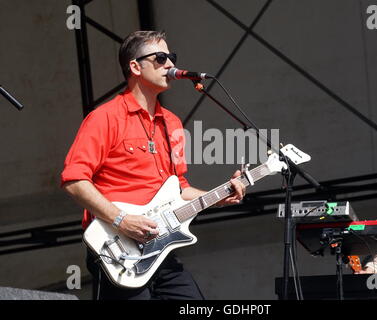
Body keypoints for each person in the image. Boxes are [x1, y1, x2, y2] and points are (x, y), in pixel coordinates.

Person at [60, 30, 246, 300]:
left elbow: (179, 188)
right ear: (135, 66)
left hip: (161, 250)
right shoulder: (105, 118)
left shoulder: (171, 122)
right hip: (118, 249)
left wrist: (218, 197)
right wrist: (121, 220)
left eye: (171, 57)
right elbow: (74, 180)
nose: (170, 64)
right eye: (160, 58)